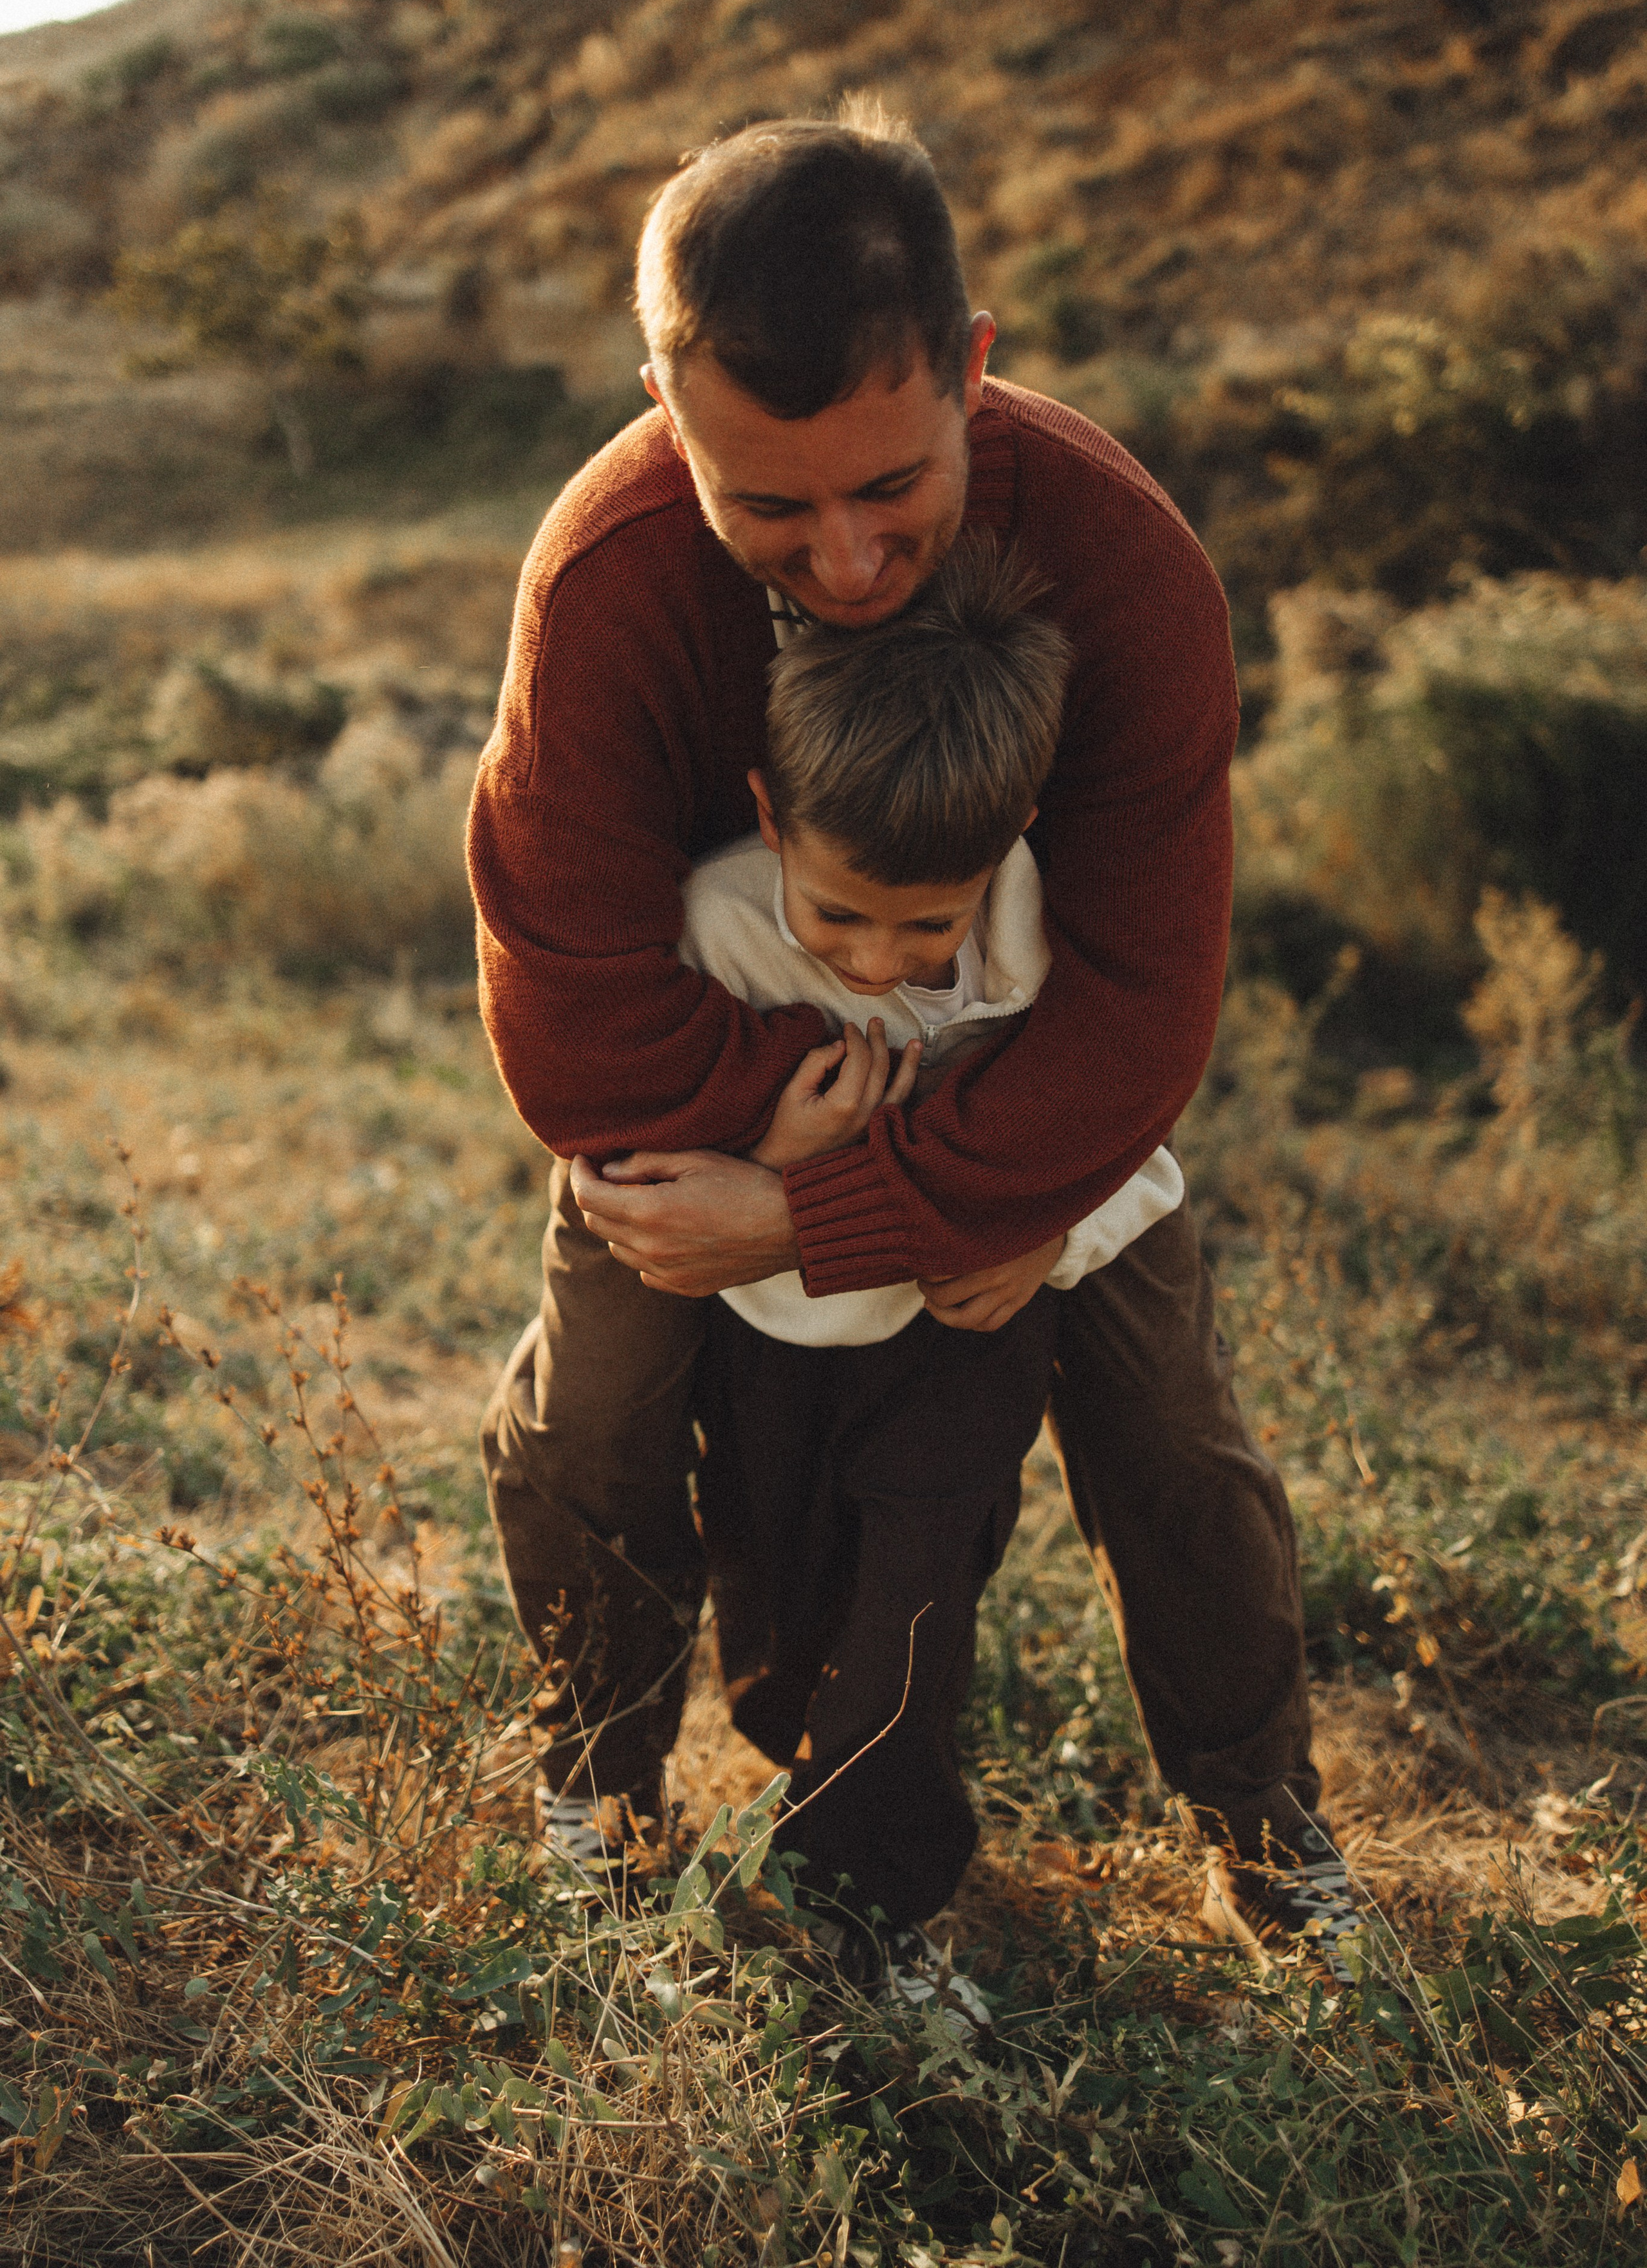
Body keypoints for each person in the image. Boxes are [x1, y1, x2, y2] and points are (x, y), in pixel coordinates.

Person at [467, 103, 1362, 1973]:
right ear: (664, 400)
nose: (850, 560)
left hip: (1017, 1089)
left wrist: (849, 1212)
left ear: (969, 367)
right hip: (709, 1095)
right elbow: (567, 1001)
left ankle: (1272, 1835)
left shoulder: (1124, 567)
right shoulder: (610, 576)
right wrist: (764, 1147)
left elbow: (1138, 1006)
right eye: (769, 507)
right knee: (595, 1414)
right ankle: (596, 1793)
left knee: (1176, 1441)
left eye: (892, 491)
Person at [679, 540, 1182, 2003]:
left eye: (925, 925)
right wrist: (774, 1149)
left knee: (917, 1598)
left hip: (965, 1334)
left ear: (1011, 839)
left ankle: (867, 1910)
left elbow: (1119, 1138)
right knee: (775, 1608)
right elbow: (668, 1132)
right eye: (840, 919)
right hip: (771, 1332)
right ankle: (805, 1777)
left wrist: (1044, 1234)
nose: (880, 960)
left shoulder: (1046, 946)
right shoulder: (718, 922)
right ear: (773, 822)